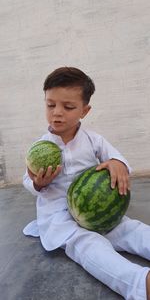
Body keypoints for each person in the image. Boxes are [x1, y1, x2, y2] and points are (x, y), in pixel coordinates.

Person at [23, 67, 150, 300]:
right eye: (50, 105)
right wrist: (38, 184)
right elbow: (28, 182)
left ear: (85, 110)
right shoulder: (39, 148)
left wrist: (117, 163)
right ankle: (139, 283)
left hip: (98, 214)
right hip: (59, 217)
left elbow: (119, 161)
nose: (57, 113)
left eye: (68, 107)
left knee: (131, 230)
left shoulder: (94, 140)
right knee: (89, 244)